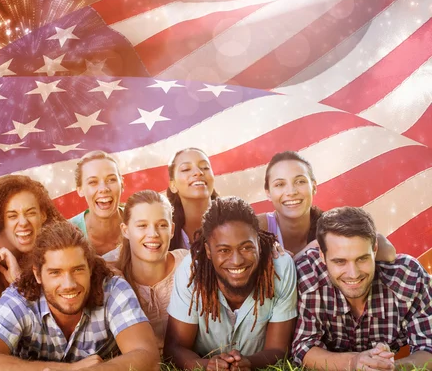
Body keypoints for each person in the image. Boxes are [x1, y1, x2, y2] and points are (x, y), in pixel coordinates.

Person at [0, 221, 160, 371]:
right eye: (55, 272)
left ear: (90, 268)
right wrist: (66, 369)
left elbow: (147, 356)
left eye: (77, 270)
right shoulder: (19, 298)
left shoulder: (113, 289)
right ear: (38, 274)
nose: (69, 284)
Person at [164, 196, 297, 371]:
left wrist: (249, 363)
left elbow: (279, 349)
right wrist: (208, 366)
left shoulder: (280, 267)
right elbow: (175, 348)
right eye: (224, 250)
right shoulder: (192, 270)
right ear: (208, 251)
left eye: (246, 247)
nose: (236, 261)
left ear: (258, 241)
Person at [292, 206, 432, 370]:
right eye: (340, 261)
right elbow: (302, 348)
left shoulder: (409, 276)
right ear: (322, 256)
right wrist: (354, 363)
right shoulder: (309, 275)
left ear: (375, 249)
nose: (353, 274)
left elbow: (428, 347)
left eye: (362, 259)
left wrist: (389, 368)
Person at [259, 150, 396, 260]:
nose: (291, 192)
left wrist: (317, 245)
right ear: (268, 193)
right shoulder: (258, 227)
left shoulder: (329, 225)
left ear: (314, 187)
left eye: (300, 181)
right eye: (280, 184)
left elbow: (387, 251)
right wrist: (302, 256)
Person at [115, 189, 188, 352]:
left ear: (172, 230)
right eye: (142, 225)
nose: (153, 234)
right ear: (125, 230)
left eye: (162, 225)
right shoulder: (115, 276)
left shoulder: (188, 266)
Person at [0, 175, 65, 260]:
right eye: (12, 216)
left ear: (43, 215)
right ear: (0, 222)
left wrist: (17, 274)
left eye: (31, 213)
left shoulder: (64, 255)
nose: (23, 222)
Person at [71, 150, 125, 260]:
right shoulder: (68, 232)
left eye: (111, 179)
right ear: (80, 190)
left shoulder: (139, 219)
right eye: (93, 182)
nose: (104, 189)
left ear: (122, 185)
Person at [166, 147, 218, 250]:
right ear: (173, 185)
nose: (198, 172)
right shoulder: (166, 234)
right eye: (186, 169)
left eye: (205, 167)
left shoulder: (236, 222)